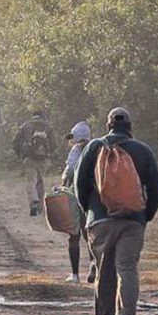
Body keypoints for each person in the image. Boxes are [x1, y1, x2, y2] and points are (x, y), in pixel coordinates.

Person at [75, 108, 158, 315]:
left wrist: (89, 210)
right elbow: (156, 187)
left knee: (105, 271)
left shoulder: (94, 147)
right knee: (127, 268)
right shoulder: (143, 151)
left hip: (100, 220)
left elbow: (79, 183)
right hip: (132, 221)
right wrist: (146, 215)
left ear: (108, 126)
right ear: (130, 127)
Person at [62, 121, 95, 283]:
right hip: (94, 198)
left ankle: (75, 275)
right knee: (90, 234)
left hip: (77, 197)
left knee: (74, 235)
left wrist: (62, 185)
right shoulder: (98, 148)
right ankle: (93, 267)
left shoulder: (76, 150)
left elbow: (70, 170)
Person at [13, 111, 56, 216]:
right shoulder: (48, 127)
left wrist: (20, 154)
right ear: (43, 116)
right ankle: (41, 206)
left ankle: (33, 203)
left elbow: (16, 141)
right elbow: (54, 144)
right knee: (40, 181)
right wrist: (49, 153)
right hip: (44, 159)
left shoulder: (26, 125)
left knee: (31, 181)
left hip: (29, 158)